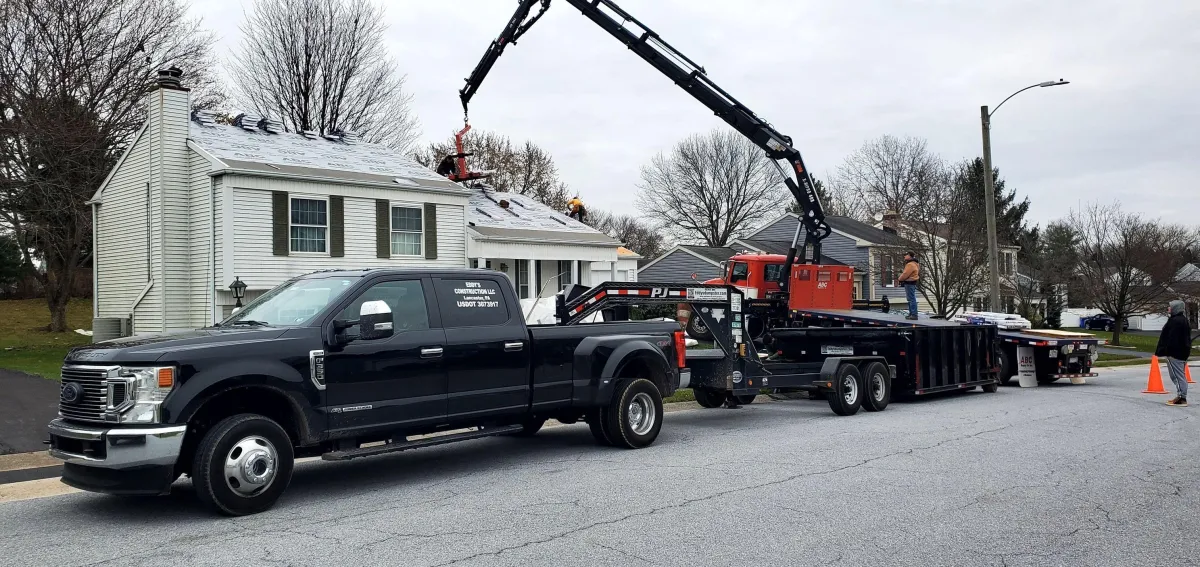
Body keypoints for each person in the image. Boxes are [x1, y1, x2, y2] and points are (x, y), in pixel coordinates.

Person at [1156, 299, 1193, 407]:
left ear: (1175, 308)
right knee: (1180, 375)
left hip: (1175, 353)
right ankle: (1180, 396)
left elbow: (1172, 338)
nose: (1168, 308)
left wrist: (1168, 351)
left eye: (1170, 306)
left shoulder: (1176, 321)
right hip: (1182, 352)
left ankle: (1182, 398)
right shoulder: (1182, 320)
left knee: (1177, 376)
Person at [896, 251, 920, 320]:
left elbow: (905, 274)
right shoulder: (915, 263)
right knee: (911, 298)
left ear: (909, 256)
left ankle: (913, 314)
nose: (904, 256)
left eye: (905, 255)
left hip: (909, 282)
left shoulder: (910, 264)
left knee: (911, 299)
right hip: (912, 282)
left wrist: (899, 279)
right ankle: (912, 314)